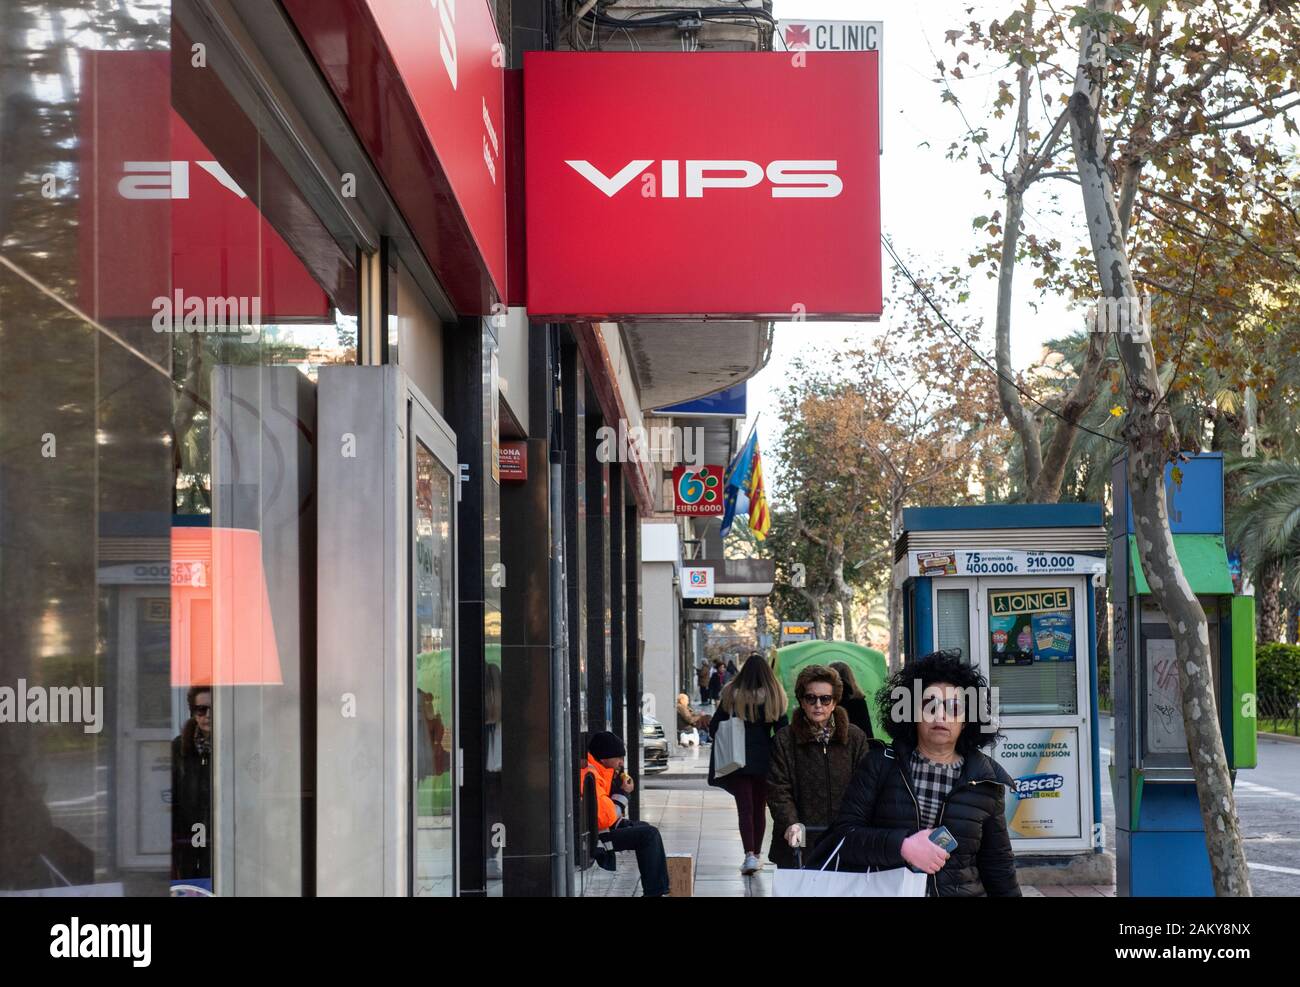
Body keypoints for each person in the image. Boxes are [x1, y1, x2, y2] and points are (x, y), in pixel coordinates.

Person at [823, 651, 1021, 897]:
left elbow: (997, 863)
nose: (940, 715)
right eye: (930, 705)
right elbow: (844, 838)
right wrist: (902, 846)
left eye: (954, 707)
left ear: (968, 719)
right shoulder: (879, 765)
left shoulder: (985, 779)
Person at [766, 664, 871, 869]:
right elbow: (778, 788)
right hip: (799, 841)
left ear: (834, 703)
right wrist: (790, 823)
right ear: (802, 701)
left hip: (846, 841)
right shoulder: (785, 739)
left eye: (825, 699)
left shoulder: (855, 737)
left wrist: (858, 826)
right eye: (810, 698)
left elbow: (866, 786)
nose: (818, 705)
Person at [708, 654, 789, 875]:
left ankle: (749, 856)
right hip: (765, 759)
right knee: (759, 809)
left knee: (745, 809)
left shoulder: (732, 694)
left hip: (738, 759)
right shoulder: (775, 694)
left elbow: (714, 726)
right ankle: (758, 855)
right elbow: (783, 731)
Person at [580, 731, 670, 896]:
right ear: (604, 757)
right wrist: (624, 794)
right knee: (649, 834)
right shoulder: (591, 774)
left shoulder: (601, 771)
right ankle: (655, 892)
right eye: (619, 758)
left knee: (644, 828)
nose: (621, 763)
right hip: (595, 839)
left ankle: (657, 889)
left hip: (598, 831)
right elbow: (604, 817)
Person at [171, 685, 213, 882]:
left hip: (224, 836)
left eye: (213, 708)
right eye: (201, 709)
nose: (208, 715)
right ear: (194, 713)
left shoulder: (235, 744)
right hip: (188, 835)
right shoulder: (179, 747)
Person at [830, 661, 875, 739]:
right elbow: (867, 733)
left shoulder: (826, 700)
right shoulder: (859, 701)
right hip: (857, 746)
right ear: (850, 677)